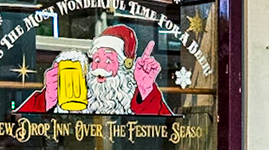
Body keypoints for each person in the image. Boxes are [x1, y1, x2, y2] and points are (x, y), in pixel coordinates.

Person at [14, 24, 170, 117]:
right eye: (96, 60)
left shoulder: (137, 97)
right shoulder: (80, 96)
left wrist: (146, 90)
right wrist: (47, 99)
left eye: (108, 60)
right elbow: (17, 127)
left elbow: (167, 136)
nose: (99, 67)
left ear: (125, 66)